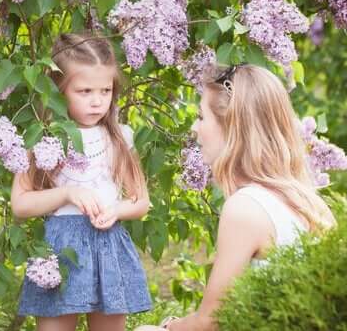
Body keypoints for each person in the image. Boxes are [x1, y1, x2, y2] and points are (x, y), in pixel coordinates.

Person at [136, 63, 335, 331]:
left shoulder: (246, 208)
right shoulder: (309, 202)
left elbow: (212, 322)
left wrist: (165, 328)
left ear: (232, 128)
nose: (195, 128)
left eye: (201, 117)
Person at [11, 33, 152, 331]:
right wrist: (67, 193)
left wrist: (116, 210)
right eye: (85, 91)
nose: (98, 101)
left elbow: (141, 202)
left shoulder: (119, 138)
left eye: (106, 90)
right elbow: (21, 204)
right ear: (59, 90)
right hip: (61, 250)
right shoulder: (42, 137)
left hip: (108, 247)